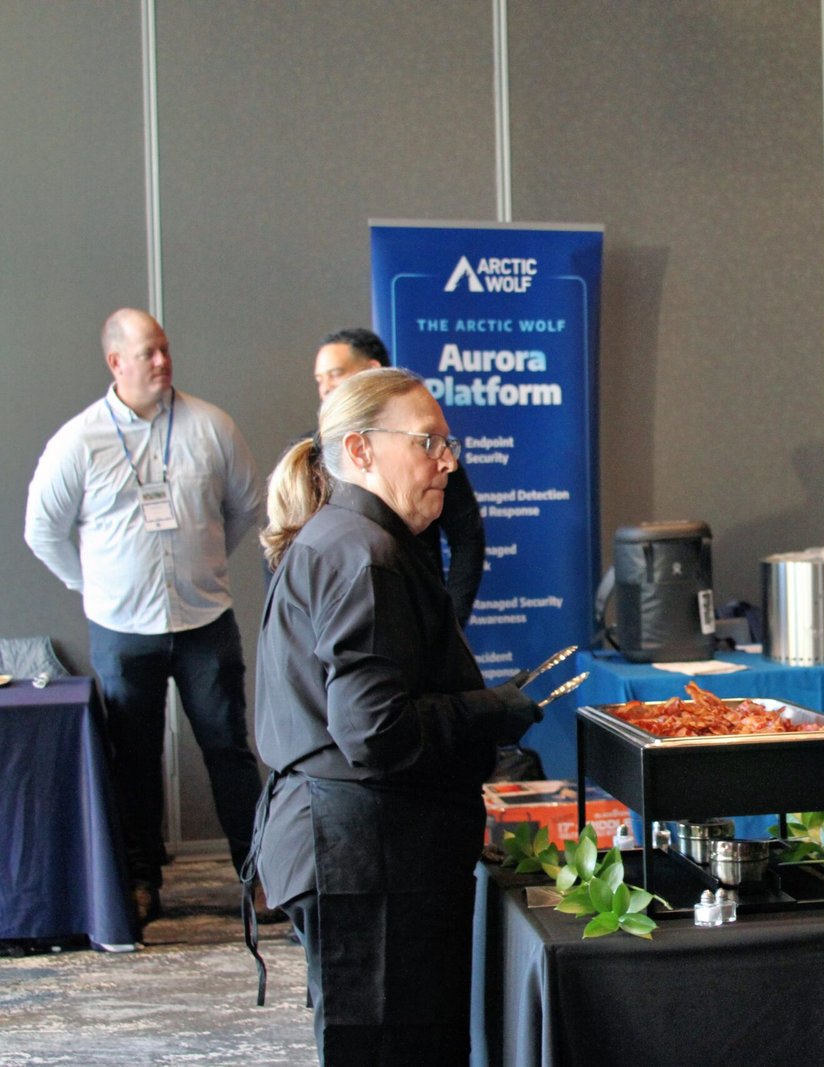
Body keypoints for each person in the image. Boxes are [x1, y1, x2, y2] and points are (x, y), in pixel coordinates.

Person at [247, 367, 543, 1064]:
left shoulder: (353, 541)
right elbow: (375, 732)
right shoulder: (363, 554)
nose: (449, 462)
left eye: (448, 443)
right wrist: (490, 710)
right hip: (365, 856)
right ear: (359, 450)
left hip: (366, 848)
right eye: (428, 442)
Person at [24, 308, 265, 929]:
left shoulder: (211, 426)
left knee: (229, 751)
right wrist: (93, 586)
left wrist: (205, 563)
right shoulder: (78, 441)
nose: (162, 361)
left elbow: (246, 507)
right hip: (122, 627)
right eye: (148, 353)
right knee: (133, 759)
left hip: (204, 620)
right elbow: (42, 531)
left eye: (165, 348)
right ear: (116, 363)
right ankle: (140, 882)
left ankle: (259, 875)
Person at [312, 327, 485, 626]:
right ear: (358, 452)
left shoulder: (437, 456)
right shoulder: (312, 461)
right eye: (319, 379)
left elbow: (468, 537)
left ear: (372, 370)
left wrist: (450, 624)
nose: (326, 388)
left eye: (335, 374)